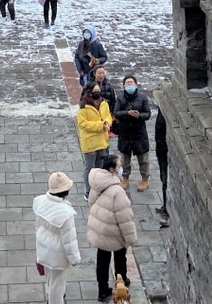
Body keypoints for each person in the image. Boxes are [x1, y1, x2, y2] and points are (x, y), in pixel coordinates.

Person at [87, 154, 138, 303]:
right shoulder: (117, 191)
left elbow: (91, 203)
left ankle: (102, 290)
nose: (121, 168)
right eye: (119, 166)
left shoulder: (96, 183)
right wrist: (130, 238)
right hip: (114, 233)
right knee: (120, 259)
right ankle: (121, 283)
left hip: (100, 229)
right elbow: (125, 219)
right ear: (112, 170)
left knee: (102, 261)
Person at [33, 172, 82, 304]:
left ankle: (50, 295)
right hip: (57, 251)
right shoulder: (66, 213)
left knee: (49, 277)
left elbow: (38, 224)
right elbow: (69, 240)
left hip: (43, 244)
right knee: (58, 283)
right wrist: (74, 259)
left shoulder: (40, 201)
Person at [114, 75, 151, 192]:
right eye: (127, 83)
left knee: (143, 159)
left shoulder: (143, 97)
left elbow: (148, 114)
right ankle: (125, 178)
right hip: (125, 133)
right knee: (125, 159)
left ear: (136, 84)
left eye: (131, 83)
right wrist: (127, 113)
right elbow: (116, 113)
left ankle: (145, 178)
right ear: (124, 85)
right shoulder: (120, 98)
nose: (130, 85)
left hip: (139, 133)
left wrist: (138, 115)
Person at [76, 85, 113, 198]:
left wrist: (107, 123)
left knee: (100, 166)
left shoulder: (104, 103)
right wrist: (100, 125)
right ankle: (88, 192)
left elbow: (108, 116)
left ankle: (99, 188)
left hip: (102, 141)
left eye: (98, 90)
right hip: (90, 142)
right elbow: (83, 124)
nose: (98, 92)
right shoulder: (83, 107)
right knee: (89, 168)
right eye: (95, 91)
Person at [155, 110, 169, 226]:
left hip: (166, 152)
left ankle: (167, 213)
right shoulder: (161, 110)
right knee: (163, 180)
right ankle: (165, 206)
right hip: (160, 149)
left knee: (167, 182)